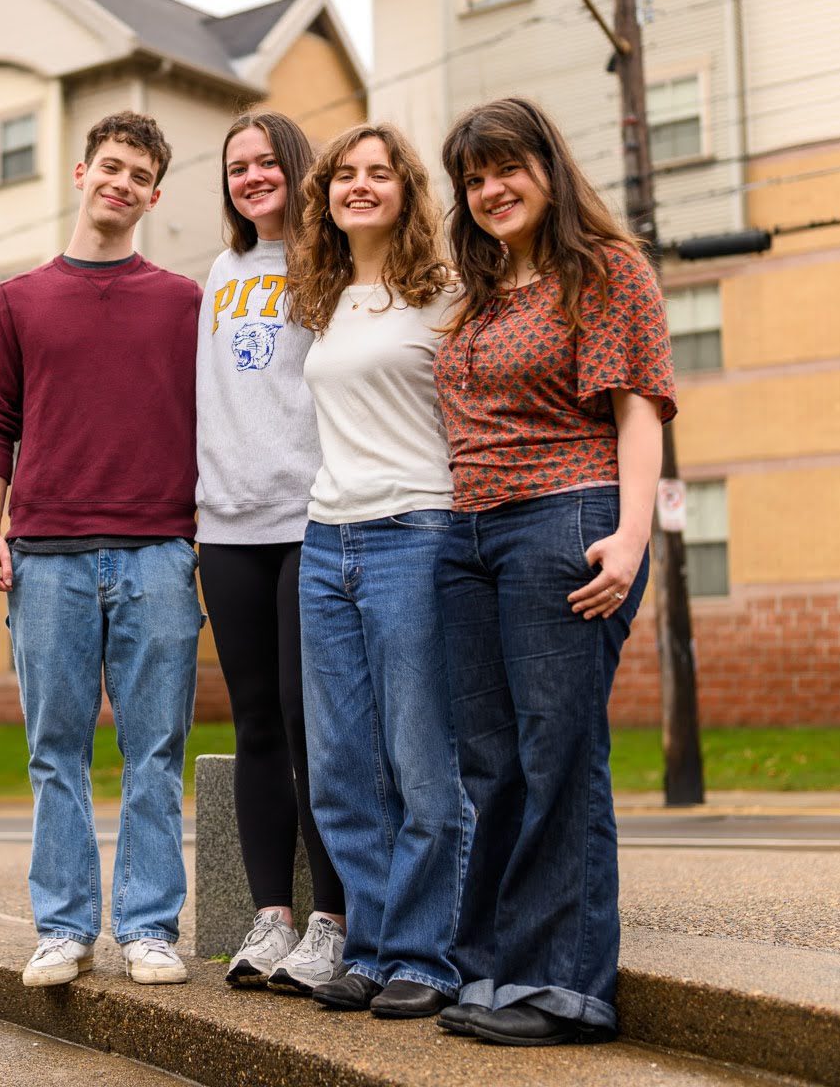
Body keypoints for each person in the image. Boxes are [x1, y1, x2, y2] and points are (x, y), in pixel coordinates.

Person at [431, 98, 676, 1046]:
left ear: (546, 166)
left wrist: (631, 534)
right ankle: (492, 969)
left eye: (505, 168)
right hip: (469, 537)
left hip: (565, 522)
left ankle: (565, 986)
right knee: (490, 766)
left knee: (557, 757)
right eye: (474, 178)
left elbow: (639, 412)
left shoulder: (603, 271)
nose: (491, 190)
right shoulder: (482, 295)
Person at [0, 111, 205, 988]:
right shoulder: (19, 301)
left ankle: (147, 925)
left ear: (153, 196)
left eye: (139, 175)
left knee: (154, 751)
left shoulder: (184, 301)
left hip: (157, 555)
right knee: (54, 749)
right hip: (47, 557)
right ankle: (63, 927)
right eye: (111, 166)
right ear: (80, 173)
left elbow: (215, 423)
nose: (122, 183)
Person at [284, 122, 471, 1020]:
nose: (361, 186)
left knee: (422, 763)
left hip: (416, 533)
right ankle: (369, 947)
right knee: (343, 768)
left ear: (406, 191)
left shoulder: (446, 294)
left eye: (380, 174)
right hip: (327, 541)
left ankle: (427, 955)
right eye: (345, 175)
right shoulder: (323, 298)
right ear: (325, 194)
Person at [194, 111, 349, 993]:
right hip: (227, 525)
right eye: (236, 167)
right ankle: (270, 918)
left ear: (298, 169)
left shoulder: (329, 265)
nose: (251, 177)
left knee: (306, 720)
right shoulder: (219, 271)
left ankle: (330, 919)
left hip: (310, 517)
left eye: (265, 162)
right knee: (252, 720)